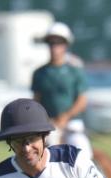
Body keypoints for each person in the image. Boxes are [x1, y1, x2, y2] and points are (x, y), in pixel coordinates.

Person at [31, 22, 92, 162]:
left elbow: (82, 100)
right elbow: (36, 102)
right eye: (51, 43)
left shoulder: (75, 71)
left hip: (72, 124)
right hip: (49, 126)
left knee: (83, 152)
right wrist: (46, 120)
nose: (54, 47)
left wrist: (65, 117)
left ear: (65, 45)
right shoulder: (40, 73)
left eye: (58, 43)